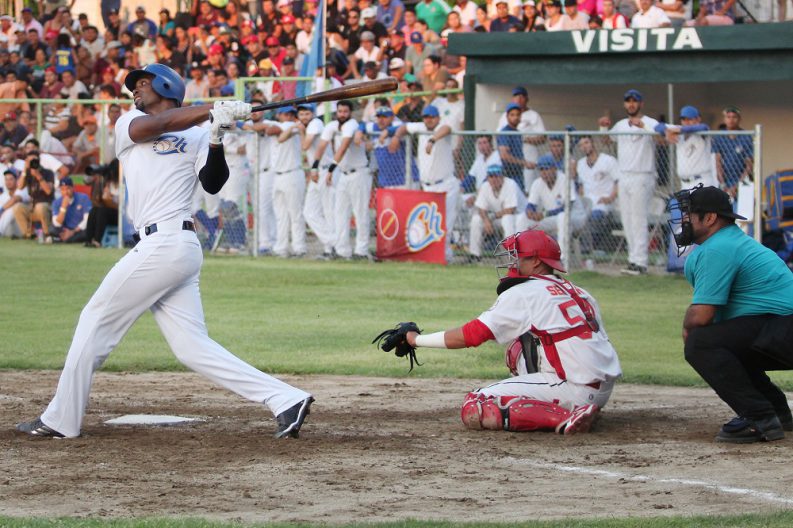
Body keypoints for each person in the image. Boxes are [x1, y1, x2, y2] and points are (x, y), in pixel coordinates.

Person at [15, 64, 313, 440]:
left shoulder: (200, 133)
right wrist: (212, 110)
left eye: (143, 83)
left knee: (94, 321)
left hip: (172, 243)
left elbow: (213, 182)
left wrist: (217, 135)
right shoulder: (130, 124)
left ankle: (60, 420)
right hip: (162, 246)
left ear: (167, 85)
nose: (135, 90)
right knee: (192, 348)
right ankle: (286, 398)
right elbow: (156, 126)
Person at [401, 229, 621, 434]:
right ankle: (576, 406)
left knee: (476, 404)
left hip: (575, 388)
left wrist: (415, 339)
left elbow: (472, 335)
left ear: (536, 261)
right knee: (518, 348)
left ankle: (566, 416)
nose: (512, 262)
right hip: (601, 388)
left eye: (518, 256)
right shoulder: (579, 292)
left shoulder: (525, 292)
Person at [671, 185, 793, 443]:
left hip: (784, 329)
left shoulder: (718, 247)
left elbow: (702, 316)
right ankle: (776, 412)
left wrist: (687, 326)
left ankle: (758, 418)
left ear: (711, 218)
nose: (684, 220)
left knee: (700, 344)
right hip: (780, 329)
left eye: (689, 214)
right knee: (724, 343)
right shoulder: (729, 242)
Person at [599, 89, 659, 275]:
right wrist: (603, 127)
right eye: (628, 101)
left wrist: (643, 127)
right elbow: (607, 141)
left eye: (635, 101)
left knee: (639, 219)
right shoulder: (621, 124)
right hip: (624, 174)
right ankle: (633, 259)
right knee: (627, 219)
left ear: (641, 104)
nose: (631, 104)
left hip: (642, 174)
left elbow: (662, 138)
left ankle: (641, 262)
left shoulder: (650, 122)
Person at [390, 104, 459, 262]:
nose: (428, 120)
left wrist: (432, 139)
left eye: (432, 117)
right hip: (427, 185)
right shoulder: (421, 126)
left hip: (446, 184)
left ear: (437, 118)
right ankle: (432, 256)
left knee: (446, 223)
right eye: (426, 117)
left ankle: (446, 256)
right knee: (429, 224)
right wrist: (396, 137)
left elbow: (447, 129)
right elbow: (404, 127)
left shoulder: (442, 127)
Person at [313, 99, 372, 260]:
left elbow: (344, 146)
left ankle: (362, 250)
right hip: (344, 174)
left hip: (358, 172)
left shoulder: (352, 124)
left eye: (345, 112)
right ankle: (342, 250)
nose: (342, 114)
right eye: (340, 111)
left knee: (360, 213)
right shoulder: (332, 125)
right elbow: (322, 145)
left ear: (350, 113)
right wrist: (314, 166)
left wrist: (331, 169)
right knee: (340, 213)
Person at [517, 154, 587, 263]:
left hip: (574, 218)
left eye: (547, 168)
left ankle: (562, 259)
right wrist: (530, 212)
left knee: (563, 217)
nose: (544, 172)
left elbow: (568, 207)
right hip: (553, 219)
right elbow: (531, 204)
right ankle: (522, 257)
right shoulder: (537, 183)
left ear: (554, 168)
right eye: (541, 169)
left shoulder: (565, 180)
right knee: (522, 218)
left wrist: (544, 214)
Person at [267, 106, 307, 258]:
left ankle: (299, 248)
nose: (288, 116)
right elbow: (272, 131)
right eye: (285, 114)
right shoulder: (284, 126)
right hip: (277, 175)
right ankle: (281, 248)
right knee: (281, 214)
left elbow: (279, 134)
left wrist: (294, 127)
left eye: (291, 114)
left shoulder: (293, 126)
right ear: (279, 115)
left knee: (295, 213)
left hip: (292, 173)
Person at [299, 102, 337, 259]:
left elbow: (305, 145)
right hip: (316, 173)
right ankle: (334, 243)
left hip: (326, 170)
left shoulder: (316, 123)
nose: (304, 117)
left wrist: (300, 131)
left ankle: (332, 249)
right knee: (309, 212)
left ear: (313, 114)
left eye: (307, 114)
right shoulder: (309, 125)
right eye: (301, 114)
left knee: (328, 211)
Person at [572, 135, 619, 253]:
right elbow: (581, 186)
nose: (584, 147)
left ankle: (590, 248)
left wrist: (610, 198)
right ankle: (582, 248)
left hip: (604, 200)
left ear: (593, 143)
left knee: (595, 216)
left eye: (586, 143)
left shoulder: (608, 160)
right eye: (581, 145)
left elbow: (618, 181)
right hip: (588, 201)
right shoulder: (581, 164)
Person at [655, 105, 717, 190]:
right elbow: (658, 126)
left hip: (702, 182)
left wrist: (680, 129)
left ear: (698, 119)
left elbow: (704, 127)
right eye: (683, 119)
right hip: (684, 184)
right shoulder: (679, 134)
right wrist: (666, 132)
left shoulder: (701, 133)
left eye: (689, 119)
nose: (686, 122)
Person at [497, 86, 546, 192]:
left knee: (528, 189)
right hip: (510, 164)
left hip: (529, 158)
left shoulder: (534, 115)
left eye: (522, 96)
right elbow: (499, 139)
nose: (519, 99)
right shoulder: (504, 118)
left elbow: (543, 138)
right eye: (516, 96)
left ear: (527, 99)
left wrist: (525, 139)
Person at [468, 164, 522, 258]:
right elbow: (481, 208)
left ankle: (511, 255)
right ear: (488, 177)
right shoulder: (485, 186)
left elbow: (511, 210)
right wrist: (486, 221)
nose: (494, 179)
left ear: (502, 176)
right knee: (476, 219)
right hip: (498, 218)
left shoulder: (510, 184)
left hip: (518, 218)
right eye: (491, 176)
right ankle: (475, 255)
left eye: (497, 175)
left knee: (507, 219)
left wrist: (491, 218)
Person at [712, 106, 753, 200]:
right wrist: (723, 185)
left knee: (743, 212)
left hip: (743, 181)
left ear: (739, 119)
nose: (731, 120)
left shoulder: (746, 137)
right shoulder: (719, 136)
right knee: (723, 211)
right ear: (724, 119)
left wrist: (737, 187)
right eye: (728, 117)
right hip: (725, 181)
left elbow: (749, 165)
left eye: (734, 117)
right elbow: (718, 162)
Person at [50, 176, 92, 243]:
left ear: (73, 188)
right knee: (52, 229)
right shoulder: (57, 202)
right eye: (62, 189)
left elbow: (87, 220)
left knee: (87, 232)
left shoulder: (83, 197)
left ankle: (63, 239)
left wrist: (73, 231)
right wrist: (63, 208)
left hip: (79, 229)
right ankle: (65, 238)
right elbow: (57, 224)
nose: (66, 192)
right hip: (65, 229)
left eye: (68, 189)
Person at [0, 167, 28, 237]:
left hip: (23, 226)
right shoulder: (4, 195)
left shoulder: (23, 190)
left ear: (17, 180)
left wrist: (1, 210)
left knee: (13, 206)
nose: (8, 182)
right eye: (6, 179)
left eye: (11, 179)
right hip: (10, 229)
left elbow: (15, 199)